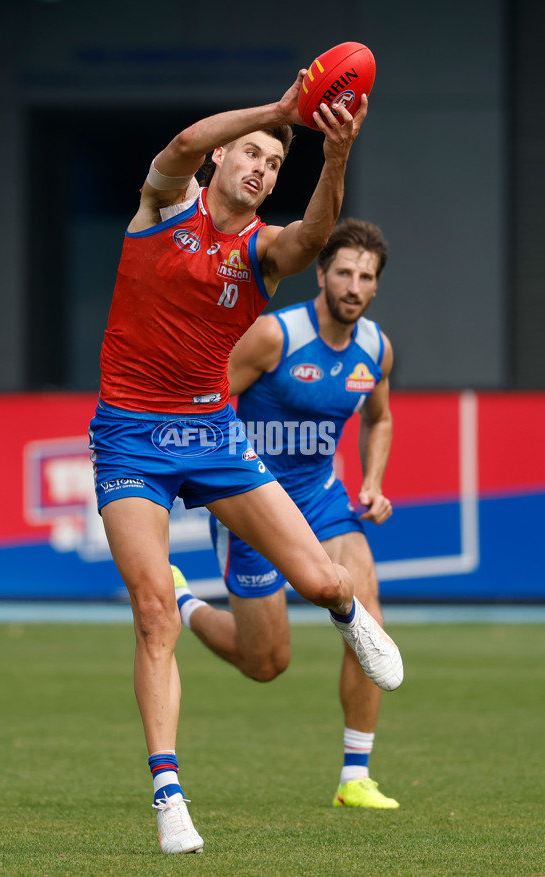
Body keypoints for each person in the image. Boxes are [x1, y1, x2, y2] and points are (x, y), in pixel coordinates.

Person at [89, 71, 403, 856]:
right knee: (153, 610)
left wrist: (332, 155)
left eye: (274, 160)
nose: (262, 165)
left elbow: (315, 233)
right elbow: (179, 144)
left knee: (330, 581)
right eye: (252, 153)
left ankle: (345, 614)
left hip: (212, 435)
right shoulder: (163, 206)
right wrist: (281, 110)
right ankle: (169, 792)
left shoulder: (262, 251)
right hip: (130, 436)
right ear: (221, 158)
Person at [173, 217, 400, 809]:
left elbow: (378, 417)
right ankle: (184, 605)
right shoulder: (275, 336)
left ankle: (356, 776)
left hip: (323, 500)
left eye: (366, 277)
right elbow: (208, 397)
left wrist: (372, 482)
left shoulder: (376, 348)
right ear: (321, 275)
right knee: (266, 662)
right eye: (344, 272)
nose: (354, 285)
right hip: (254, 505)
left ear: (375, 287)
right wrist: (203, 473)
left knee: (365, 615)